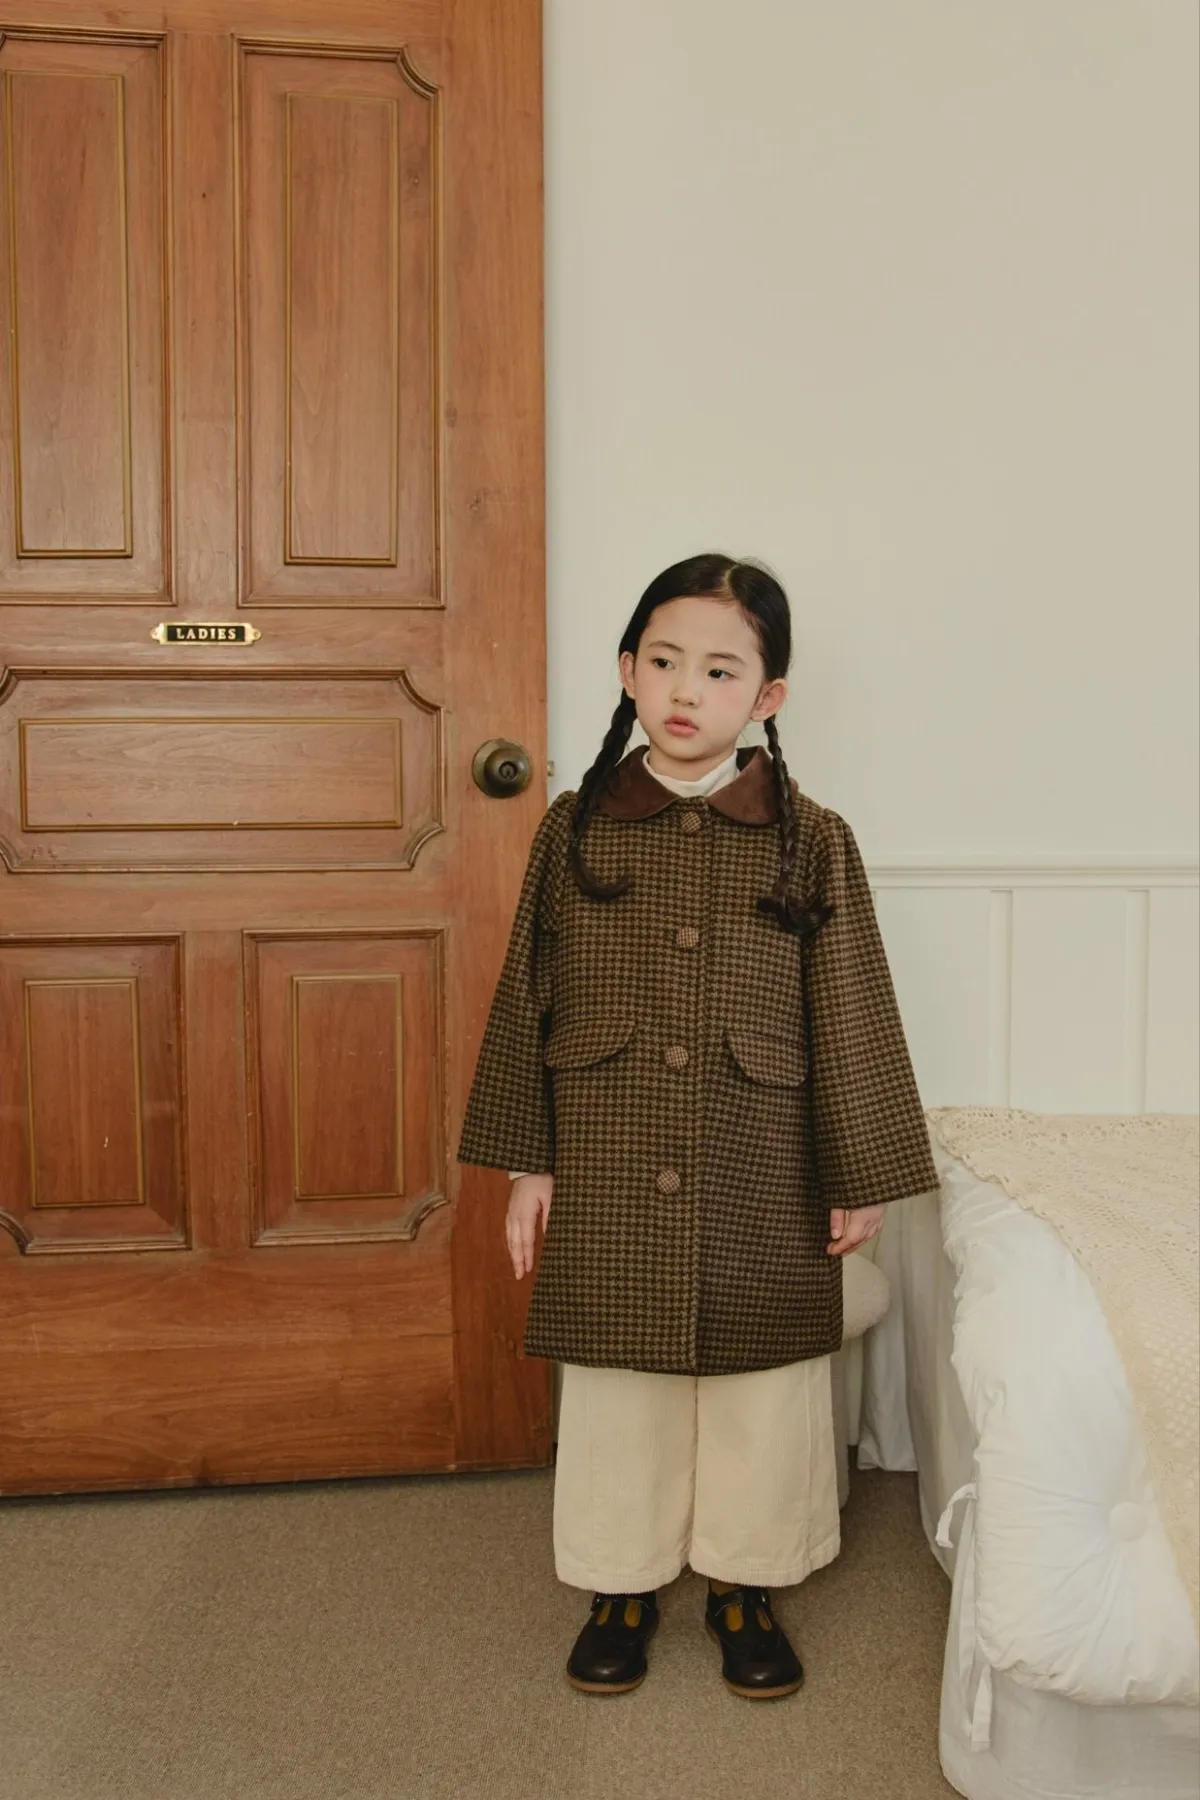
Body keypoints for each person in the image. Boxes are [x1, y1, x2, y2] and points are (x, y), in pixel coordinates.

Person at [457, 553, 939, 1699]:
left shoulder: (812, 837)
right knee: (617, 1376)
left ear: (766, 696)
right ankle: (619, 1581)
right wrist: (531, 1163)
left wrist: (857, 1168)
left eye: (720, 671)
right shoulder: (574, 829)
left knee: (764, 1375)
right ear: (628, 671)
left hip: (761, 1147)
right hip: (609, 1141)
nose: (686, 690)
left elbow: (852, 1005)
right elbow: (529, 993)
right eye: (664, 662)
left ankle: (746, 1580)